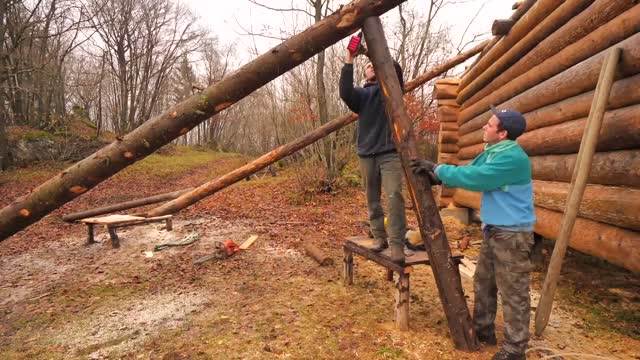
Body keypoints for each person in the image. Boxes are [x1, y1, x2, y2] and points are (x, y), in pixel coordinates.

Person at [410, 106, 535, 360]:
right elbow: (470, 170)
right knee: (484, 282)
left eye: (490, 125)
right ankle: (483, 330)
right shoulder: (494, 151)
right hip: (495, 230)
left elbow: (477, 178)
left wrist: (439, 168)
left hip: (512, 235)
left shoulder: (512, 158)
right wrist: (438, 175)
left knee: (514, 292)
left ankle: (515, 348)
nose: (484, 127)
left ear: (503, 133)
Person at [339, 47, 407, 264]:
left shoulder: (391, 89)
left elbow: (394, 70)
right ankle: (380, 237)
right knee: (372, 198)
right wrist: (350, 58)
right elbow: (345, 91)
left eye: (373, 65)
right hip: (366, 153)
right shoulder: (361, 95)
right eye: (367, 66)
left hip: (389, 153)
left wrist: (369, 53)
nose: (370, 67)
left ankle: (397, 244)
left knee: (394, 196)